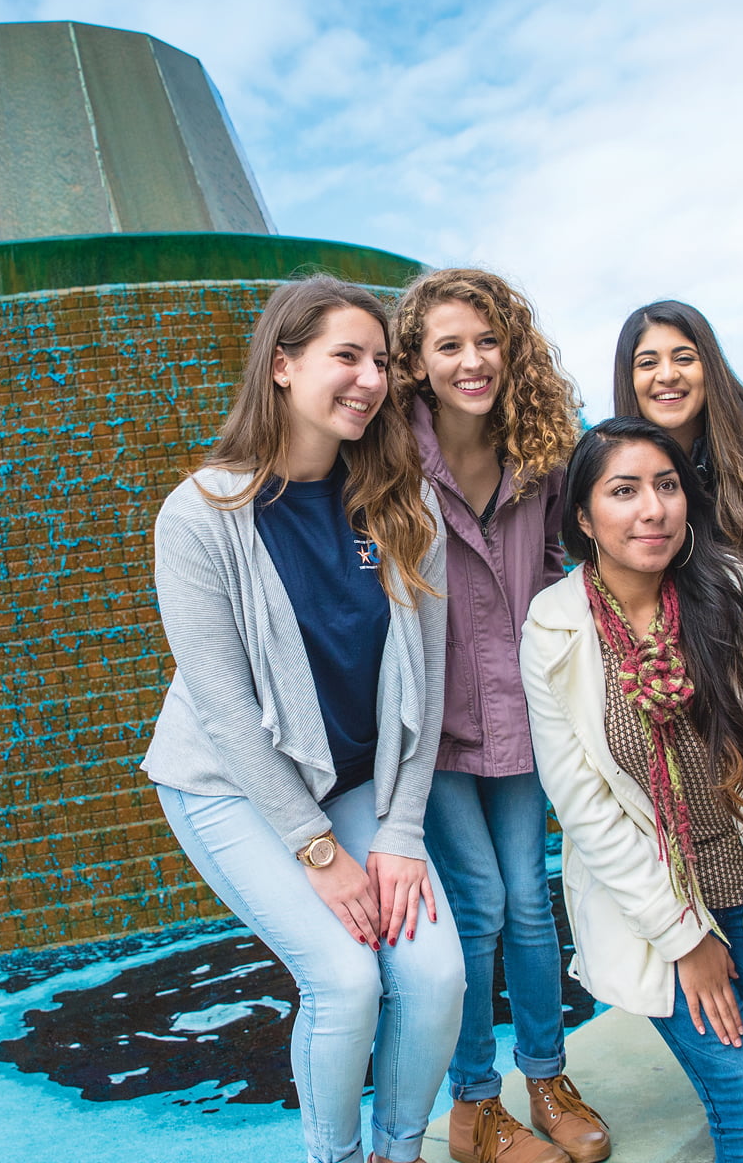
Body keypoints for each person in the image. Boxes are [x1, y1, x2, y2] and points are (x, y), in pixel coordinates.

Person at [141, 275, 466, 1163]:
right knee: (345, 980)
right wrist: (316, 852)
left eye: (381, 362)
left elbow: (427, 680)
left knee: (437, 974)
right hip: (230, 787)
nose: (369, 378)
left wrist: (399, 832)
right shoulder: (201, 515)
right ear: (282, 366)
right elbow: (224, 706)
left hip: (359, 784)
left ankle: (399, 1149)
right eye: (346, 356)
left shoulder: (405, 504)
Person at [519, 416, 743, 1163]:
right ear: (583, 516)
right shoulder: (554, 625)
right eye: (625, 490)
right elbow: (583, 807)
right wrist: (685, 939)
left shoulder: (737, 594)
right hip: (659, 909)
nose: (653, 509)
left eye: (667, 486)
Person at [390, 268, 609, 1163]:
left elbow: (578, 555)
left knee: (528, 902)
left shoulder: (544, 450)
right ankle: (475, 1103)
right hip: (431, 724)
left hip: (521, 712)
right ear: (417, 359)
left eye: (488, 342)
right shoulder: (390, 456)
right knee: (476, 904)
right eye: (449, 345)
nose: (472, 361)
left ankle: (547, 1077)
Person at [612, 300, 743, 571]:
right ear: (628, 378)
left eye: (684, 358)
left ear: (709, 367)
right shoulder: (613, 472)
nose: (667, 375)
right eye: (648, 363)